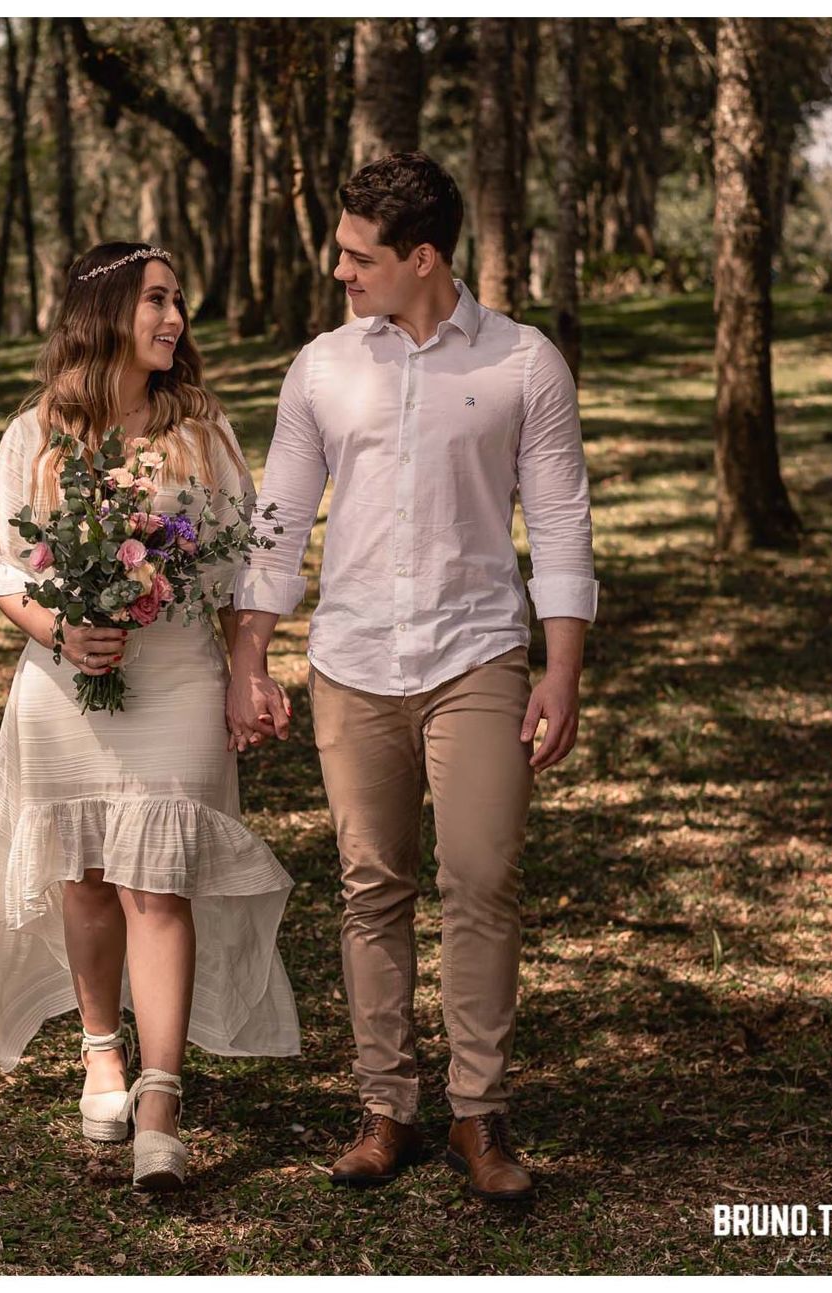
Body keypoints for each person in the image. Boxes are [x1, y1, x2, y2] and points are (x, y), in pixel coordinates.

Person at [225, 153, 598, 1202]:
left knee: (480, 880)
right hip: (352, 662)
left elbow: (562, 525)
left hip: (478, 652)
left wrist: (560, 669)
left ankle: (480, 1113)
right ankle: (386, 1108)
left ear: (422, 257)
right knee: (370, 886)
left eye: (358, 256)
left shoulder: (526, 364)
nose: (339, 271)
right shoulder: (321, 368)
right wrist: (249, 652)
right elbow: (278, 524)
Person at [0, 241, 300, 1192]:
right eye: (156, 299)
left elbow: (244, 567)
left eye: (178, 300)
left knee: (161, 879)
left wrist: (245, 669)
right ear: (106, 310)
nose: (174, 317)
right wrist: (63, 630)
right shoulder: (39, 432)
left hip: (180, 673)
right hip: (66, 685)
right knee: (88, 869)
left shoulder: (203, 431)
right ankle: (100, 1050)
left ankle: (160, 1094)